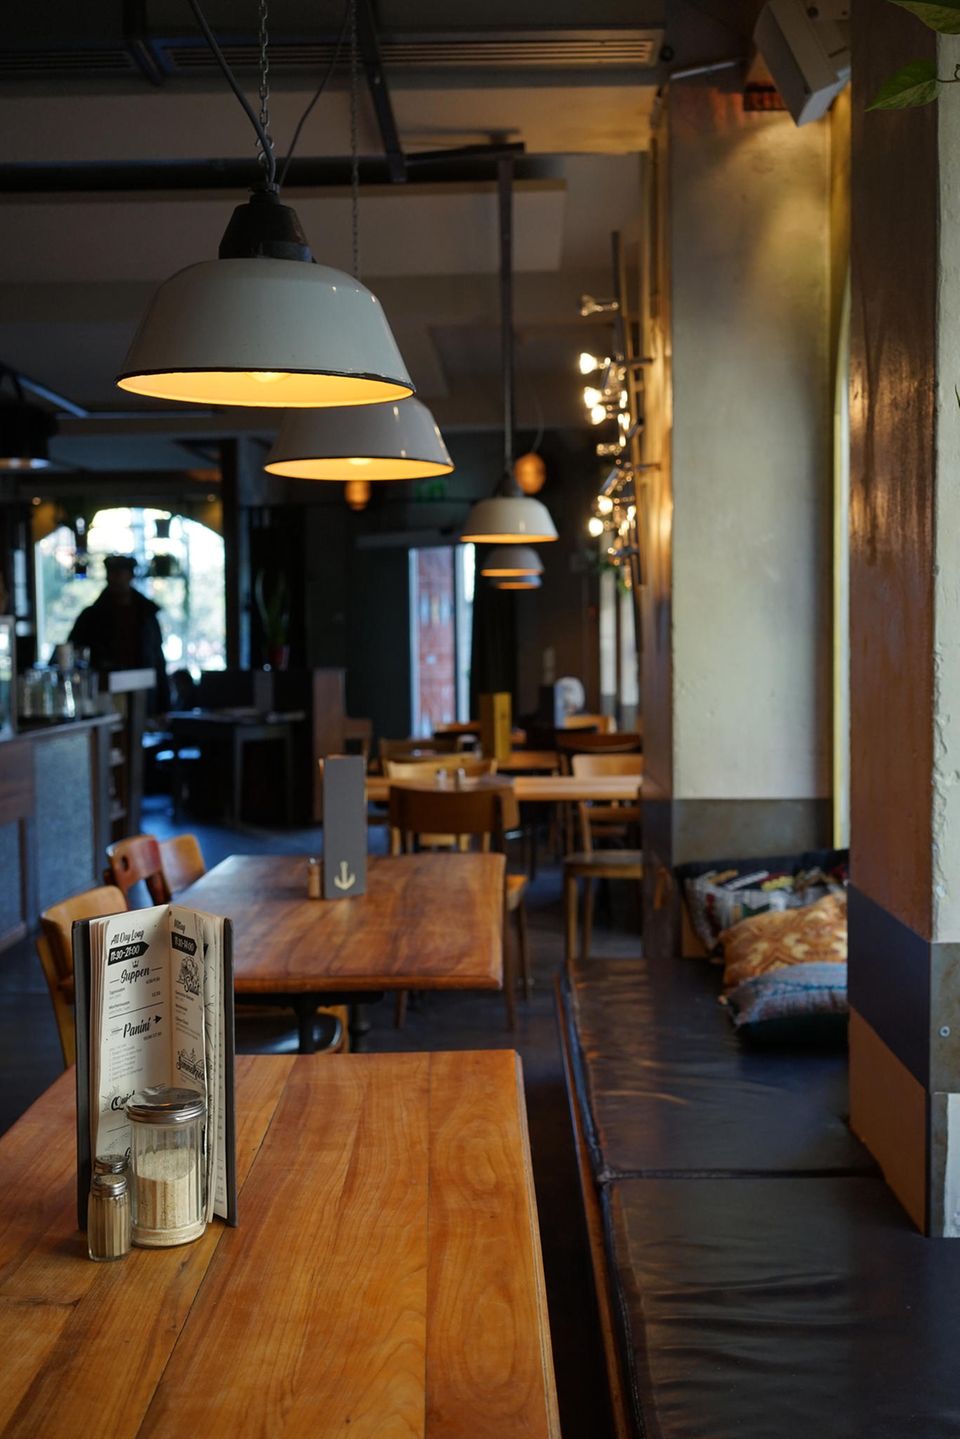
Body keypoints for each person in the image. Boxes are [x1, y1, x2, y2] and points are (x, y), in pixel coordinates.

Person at [69, 555, 170, 713]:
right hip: (104, 695)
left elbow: (157, 658)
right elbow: (74, 653)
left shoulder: (145, 614)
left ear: (130, 576)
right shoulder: (92, 616)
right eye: (111, 573)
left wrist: (163, 706)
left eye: (119, 573)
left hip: (142, 693)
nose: (113, 578)